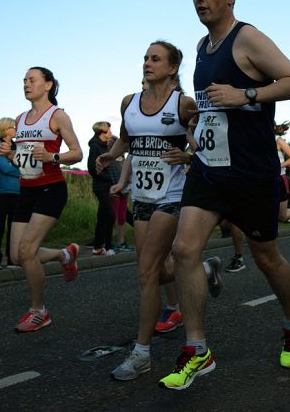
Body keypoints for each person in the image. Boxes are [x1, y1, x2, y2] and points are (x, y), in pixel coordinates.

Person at [163, 0, 290, 390]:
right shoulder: (201, 46)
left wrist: (247, 93)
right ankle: (197, 350)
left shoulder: (247, 38)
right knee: (185, 248)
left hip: (252, 172)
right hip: (209, 169)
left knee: (266, 258)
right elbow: (215, 108)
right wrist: (196, 119)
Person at [97, 44, 224, 381]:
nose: (147, 63)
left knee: (146, 272)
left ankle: (141, 354)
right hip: (143, 196)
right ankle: (202, 268)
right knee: (149, 269)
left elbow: (206, 143)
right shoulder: (129, 103)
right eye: (145, 58)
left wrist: (189, 157)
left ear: (172, 68)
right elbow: (126, 140)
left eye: (155, 59)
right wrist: (110, 156)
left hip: (173, 194)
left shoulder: (183, 104)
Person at [0, 67, 83, 332]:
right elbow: (25, 159)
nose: (26, 84)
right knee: (16, 255)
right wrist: (11, 156)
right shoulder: (20, 118)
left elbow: (77, 152)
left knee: (27, 250)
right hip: (27, 190)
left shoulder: (57, 116)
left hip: (51, 190)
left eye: (32, 80)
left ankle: (39, 311)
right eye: (24, 80)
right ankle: (65, 254)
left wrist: (53, 157)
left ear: (48, 85)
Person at [0, 117, 20, 270]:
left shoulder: (18, 147)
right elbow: (5, 168)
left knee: (14, 228)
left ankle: (12, 259)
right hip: (0, 192)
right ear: (5, 129)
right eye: (12, 126)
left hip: (17, 191)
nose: (15, 128)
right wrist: (23, 171)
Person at [87, 121, 119, 256]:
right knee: (110, 216)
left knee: (102, 216)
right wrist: (107, 178)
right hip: (100, 186)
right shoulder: (95, 146)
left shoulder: (104, 146)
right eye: (109, 131)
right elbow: (92, 167)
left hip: (107, 186)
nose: (111, 133)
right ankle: (108, 246)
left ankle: (98, 247)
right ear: (103, 132)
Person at [274, 121, 290, 223]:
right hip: (265, 179)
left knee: (282, 217)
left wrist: (278, 166)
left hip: (280, 179)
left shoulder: (278, 140)